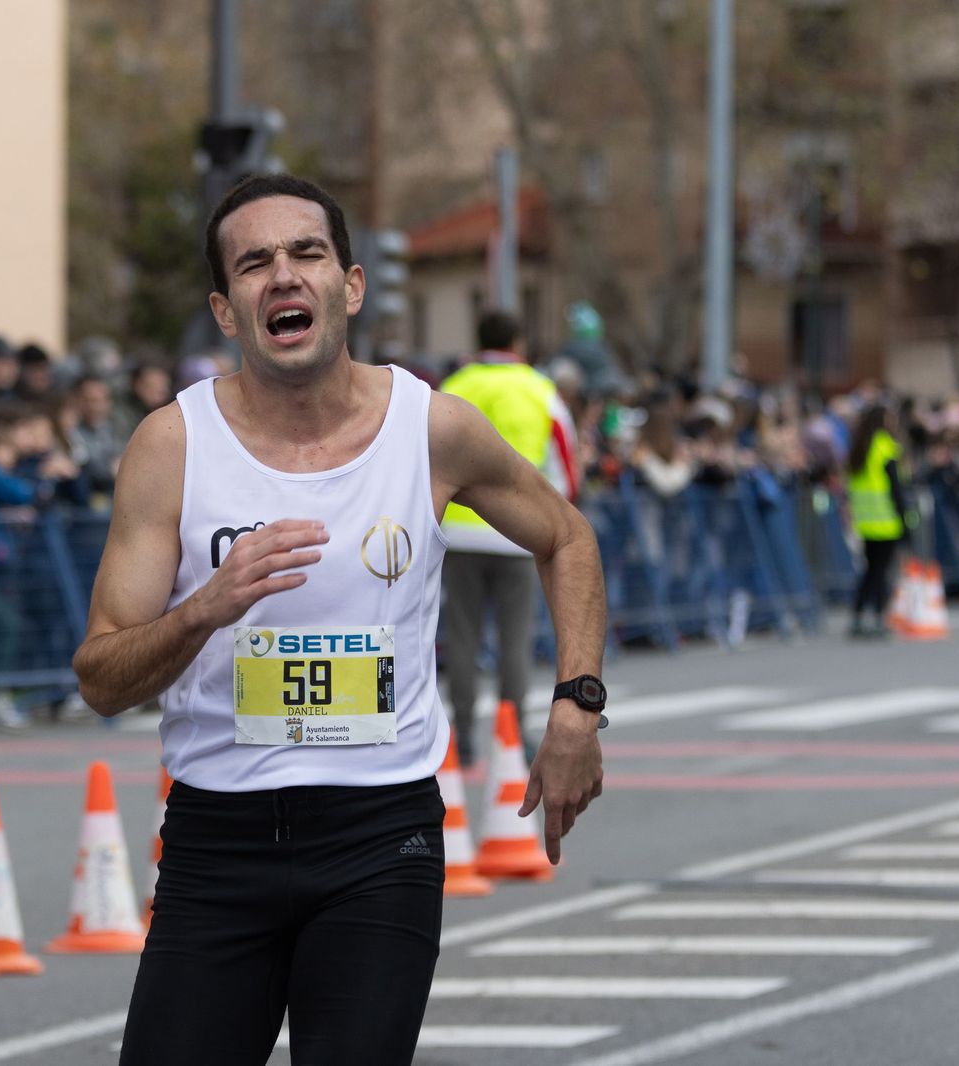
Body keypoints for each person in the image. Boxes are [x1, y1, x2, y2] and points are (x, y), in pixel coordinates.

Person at [74, 174, 606, 1066]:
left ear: (349, 287)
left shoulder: (431, 429)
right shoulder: (172, 445)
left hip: (379, 840)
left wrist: (576, 706)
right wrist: (205, 608)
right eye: (254, 264)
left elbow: (567, 535)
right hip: (218, 839)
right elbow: (100, 677)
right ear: (226, 309)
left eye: (306, 253)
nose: (282, 275)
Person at [439, 310, 579, 767]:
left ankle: (462, 733)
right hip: (519, 535)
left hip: (458, 532)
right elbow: (566, 462)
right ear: (518, 342)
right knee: (514, 640)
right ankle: (514, 733)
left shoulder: (456, 386)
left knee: (461, 637)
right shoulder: (540, 389)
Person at [846, 403, 910, 638]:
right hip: (885, 520)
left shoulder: (859, 447)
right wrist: (905, 519)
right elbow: (896, 488)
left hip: (864, 521)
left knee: (871, 570)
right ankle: (879, 617)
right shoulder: (885, 447)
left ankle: (859, 614)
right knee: (880, 572)